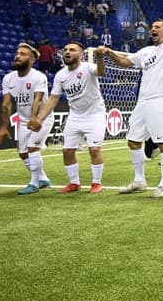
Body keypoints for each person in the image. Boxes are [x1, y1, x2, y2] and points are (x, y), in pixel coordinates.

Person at [100, 0, 163, 198]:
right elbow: (124, 62)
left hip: (160, 100)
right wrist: (110, 53)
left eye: (158, 27)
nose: (153, 30)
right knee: (133, 141)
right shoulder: (145, 52)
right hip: (143, 102)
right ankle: (139, 180)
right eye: (152, 28)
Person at [29, 42, 106, 194]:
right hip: (75, 116)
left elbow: (100, 72)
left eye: (72, 50)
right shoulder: (60, 75)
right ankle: (74, 183)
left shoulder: (87, 67)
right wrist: (40, 119)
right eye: (65, 50)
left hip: (95, 114)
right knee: (67, 152)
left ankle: (96, 183)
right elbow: (53, 98)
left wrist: (100, 58)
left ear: (81, 54)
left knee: (94, 149)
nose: (67, 52)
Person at [0, 43, 54, 195]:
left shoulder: (38, 76)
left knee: (33, 148)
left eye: (22, 54)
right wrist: (3, 126)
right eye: (17, 53)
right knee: (23, 154)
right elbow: (6, 104)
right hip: (23, 120)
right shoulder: (8, 78)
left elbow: (38, 99)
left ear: (32, 59)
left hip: (42, 118)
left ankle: (34, 184)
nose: (17, 56)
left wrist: (35, 119)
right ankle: (43, 179)